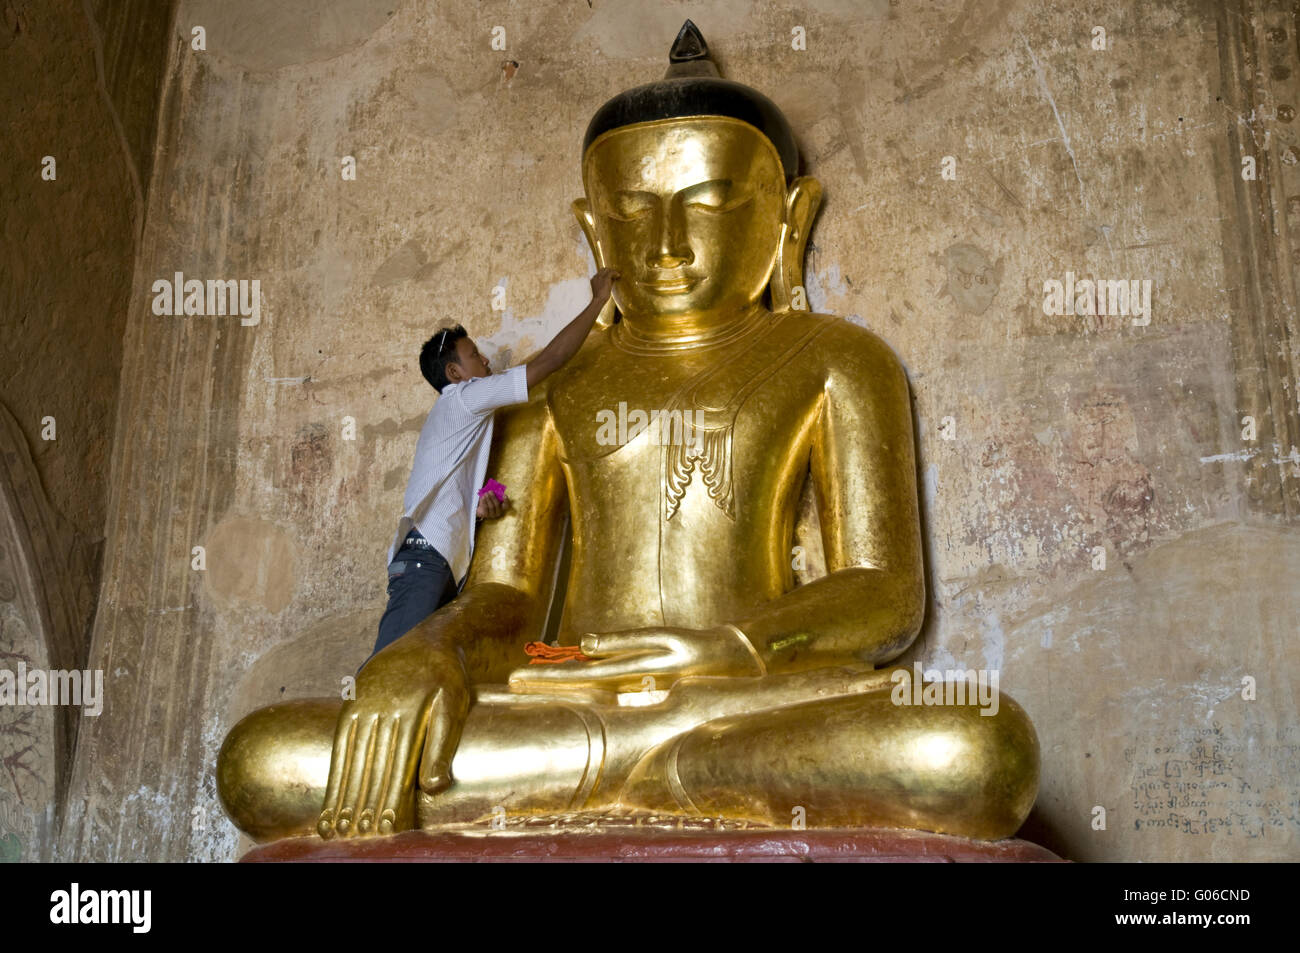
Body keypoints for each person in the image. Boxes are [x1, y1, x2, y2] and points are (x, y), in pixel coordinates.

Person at [369, 267, 620, 661]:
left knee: (418, 666)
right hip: (424, 559)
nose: (485, 360)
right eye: (473, 356)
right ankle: (347, 719)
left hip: (436, 560)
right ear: (455, 373)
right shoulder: (465, 396)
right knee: (388, 668)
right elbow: (552, 359)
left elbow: (451, 489)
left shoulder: (461, 412)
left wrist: (477, 512)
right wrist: (597, 302)